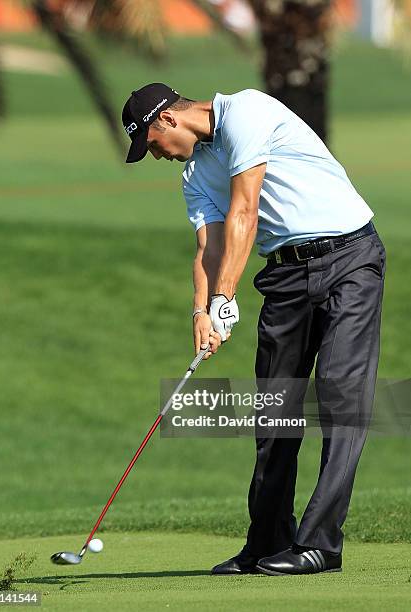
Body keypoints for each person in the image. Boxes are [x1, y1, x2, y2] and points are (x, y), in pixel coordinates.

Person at [121, 83, 386, 576]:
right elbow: (209, 247)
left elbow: (245, 209)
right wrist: (202, 311)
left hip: (349, 258)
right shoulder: (195, 174)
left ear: (168, 121)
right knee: (274, 413)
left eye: (152, 145)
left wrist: (226, 297)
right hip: (286, 277)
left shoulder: (247, 111)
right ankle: (267, 540)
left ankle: (321, 545)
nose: (156, 155)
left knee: (340, 401)